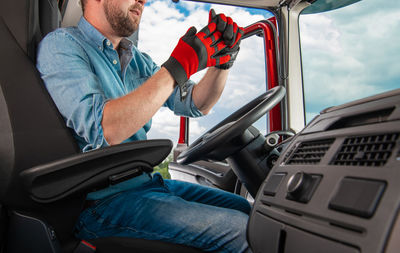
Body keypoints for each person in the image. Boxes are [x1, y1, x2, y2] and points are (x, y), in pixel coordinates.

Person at [36, 0, 251, 252]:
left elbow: (195, 104)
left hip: (147, 184)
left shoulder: (136, 59)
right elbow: (106, 129)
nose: (142, 0)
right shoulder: (61, 45)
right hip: (102, 201)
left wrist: (222, 62)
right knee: (241, 232)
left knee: (247, 210)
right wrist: (177, 67)